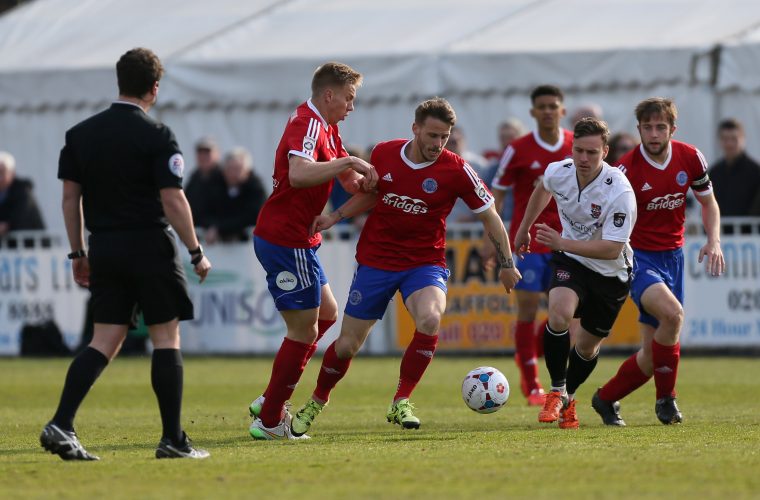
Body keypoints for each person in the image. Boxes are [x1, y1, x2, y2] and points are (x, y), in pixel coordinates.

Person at [283, 97, 521, 436]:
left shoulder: (456, 169)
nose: (438, 144)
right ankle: (317, 401)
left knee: (430, 318)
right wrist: (334, 216)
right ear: (416, 129)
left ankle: (402, 400)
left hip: (424, 263)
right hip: (377, 261)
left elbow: (491, 218)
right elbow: (373, 194)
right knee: (348, 344)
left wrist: (507, 263)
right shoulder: (383, 153)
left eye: (445, 136)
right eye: (433, 135)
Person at [40, 48, 212, 461]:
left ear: (119, 81)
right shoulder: (158, 135)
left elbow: (69, 199)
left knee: (104, 338)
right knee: (165, 337)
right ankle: (172, 439)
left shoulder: (80, 134)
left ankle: (62, 423)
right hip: (150, 245)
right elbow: (173, 199)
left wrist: (78, 251)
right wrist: (195, 251)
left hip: (105, 246)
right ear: (154, 87)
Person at [247, 62, 378, 440]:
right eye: (350, 99)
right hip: (285, 239)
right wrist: (352, 160)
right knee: (303, 330)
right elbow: (300, 174)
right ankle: (271, 420)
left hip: (298, 239)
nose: (352, 107)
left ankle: (271, 398)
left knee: (327, 315)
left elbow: (349, 181)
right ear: (329, 95)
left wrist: (378, 178)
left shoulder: (327, 127)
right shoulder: (307, 123)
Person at [593, 98, 725, 426]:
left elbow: (708, 203)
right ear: (638, 129)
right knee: (674, 315)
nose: (654, 133)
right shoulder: (625, 171)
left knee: (652, 356)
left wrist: (714, 240)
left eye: (660, 127)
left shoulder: (690, 157)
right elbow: (605, 219)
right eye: (647, 127)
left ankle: (605, 398)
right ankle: (667, 401)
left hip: (674, 258)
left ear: (672, 129)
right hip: (638, 259)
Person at [514, 117, 636, 429]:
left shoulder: (620, 191)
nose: (583, 159)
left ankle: (568, 396)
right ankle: (555, 392)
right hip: (571, 261)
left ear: (605, 152)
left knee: (586, 346)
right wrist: (524, 228)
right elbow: (543, 187)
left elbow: (611, 248)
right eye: (578, 150)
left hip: (611, 274)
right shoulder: (560, 170)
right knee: (559, 314)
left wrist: (561, 241)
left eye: (591, 153)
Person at [484, 85, 574, 406]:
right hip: (529, 244)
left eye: (554, 105)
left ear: (562, 110)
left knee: (565, 315)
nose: (548, 111)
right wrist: (490, 241)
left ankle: (529, 356)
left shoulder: (576, 146)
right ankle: (532, 383)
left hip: (567, 243)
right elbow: (496, 197)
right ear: (533, 112)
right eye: (542, 106)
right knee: (526, 311)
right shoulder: (518, 149)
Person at [204, 147, 266, 243]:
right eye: (230, 169)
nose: (233, 174)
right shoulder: (215, 185)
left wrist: (220, 228)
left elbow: (252, 215)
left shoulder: (256, 188)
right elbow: (205, 210)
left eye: (238, 169)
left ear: (247, 171)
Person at [708, 118, 760, 224]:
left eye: (734, 139)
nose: (730, 144)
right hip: (719, 235)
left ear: (743, 139)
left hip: (750, 237)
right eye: (725, 139)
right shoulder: (714, 172)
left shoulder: (755, 172)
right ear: (720, 140)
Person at [445, 126, 491, 223]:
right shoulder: (435, 165)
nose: (453, 145)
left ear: (463, 141)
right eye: (450, 142)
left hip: (472, 228)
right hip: (444, 226)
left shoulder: (479, 165)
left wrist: (474, 217)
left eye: (455, 141)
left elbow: (488, 197)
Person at [184, 136, 226, 230]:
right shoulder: (194, 178)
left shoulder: (225, 177)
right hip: (197, 231)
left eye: (207, 153)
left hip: (222, 234)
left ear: (217, 154)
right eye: (200, 153)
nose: (203, 156)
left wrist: (219, 227)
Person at [0, 150, 45, 236]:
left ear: (12, 173)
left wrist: (6, 226)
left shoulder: (23, 191)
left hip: (33, 246)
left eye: (2, 172)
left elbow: (20, 218)